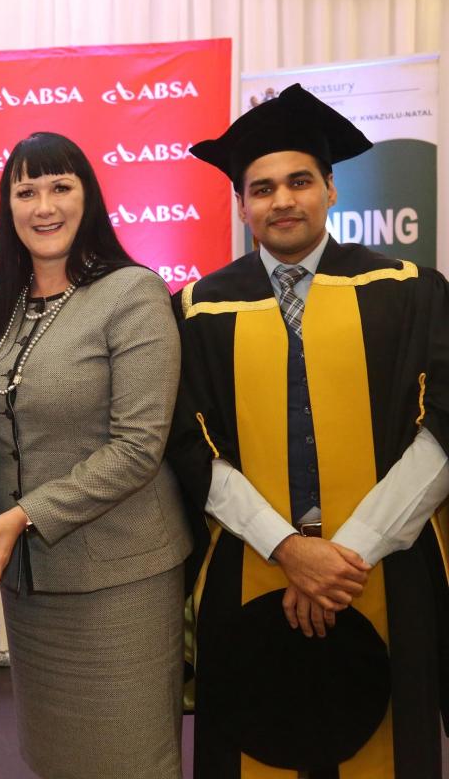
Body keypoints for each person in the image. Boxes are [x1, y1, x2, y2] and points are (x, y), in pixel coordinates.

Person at [170, 83, 449, 778]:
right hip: (253, 566)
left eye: (299, 181)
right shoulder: (199, 308)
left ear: (330, 189)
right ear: (241, 206)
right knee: (257, 740)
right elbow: (187, 446)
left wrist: (345, 553)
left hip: (383, 568)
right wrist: (289, 547)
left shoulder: (411, 288)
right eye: (261, 189)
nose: (281, 200)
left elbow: (443, 430)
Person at [0, 132, 192, 778]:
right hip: (30, 587)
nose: (44, 206)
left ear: (87, 197)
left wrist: (23, 516)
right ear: (7, 207)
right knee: (55, 757)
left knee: (130, 760)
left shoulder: (133, 294)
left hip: (122, 579)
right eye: (26, 190)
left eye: (60, 186)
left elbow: (138, 446)